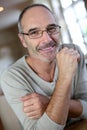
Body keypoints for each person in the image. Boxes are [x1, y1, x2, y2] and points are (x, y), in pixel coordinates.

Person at [0, 3, 87, 130]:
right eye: (34, 32)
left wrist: (48, 101)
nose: (47, 40)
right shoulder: (12, 77)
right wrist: (65, 77)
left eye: (51, 28)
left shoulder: (73, 51)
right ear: (23, 40)